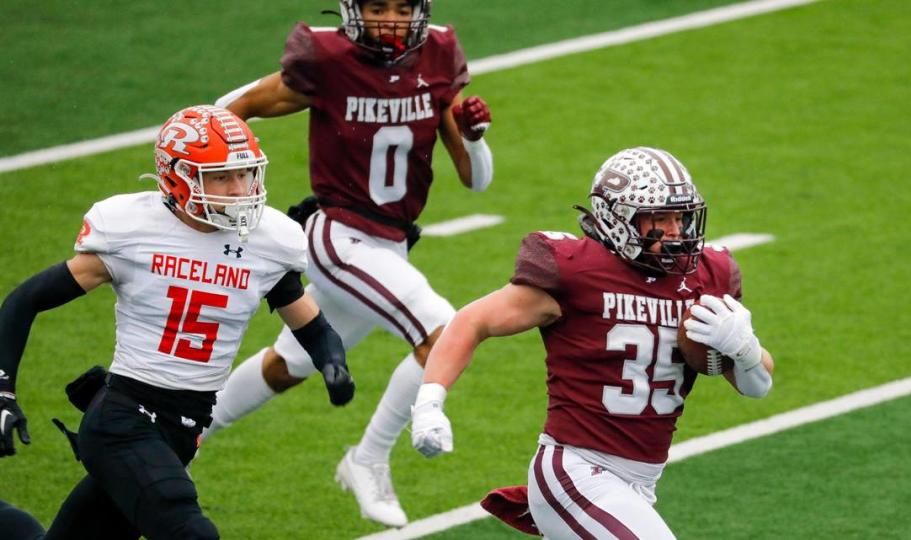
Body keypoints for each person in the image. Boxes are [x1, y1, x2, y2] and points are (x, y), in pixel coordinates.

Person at [0, 105, 354, 539]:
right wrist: (2, 389)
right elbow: (25, 300)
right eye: (221, 176)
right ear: (177, 175)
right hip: (124, 419)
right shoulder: (132, 230)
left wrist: (333, 364)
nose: (239, 187)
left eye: (244, 173)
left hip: (183, 429)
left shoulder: (266, 243)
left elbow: (312, 327)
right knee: (192, 533)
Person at [203, 0, 493, 527]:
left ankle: (190, 429)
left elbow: (476, 180)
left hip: (391, 244)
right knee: (443, 332)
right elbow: (230, 108)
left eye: (402, 8)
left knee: (287, 365)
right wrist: (226, 184)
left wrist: (475, 139)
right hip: (339, 234)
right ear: (351, 11)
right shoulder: (331, 58)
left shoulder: (436, 58)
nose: (391, 20)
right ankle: (369, 457)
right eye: (377, 7)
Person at [410, 147, 775, 538]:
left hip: (639, 482)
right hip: (575, 471)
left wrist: (745, 349)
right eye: (660, 218)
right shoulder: (577, 271)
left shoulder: (705, 277)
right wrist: (430, 403)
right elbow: (473, 320)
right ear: (619, 220)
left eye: (681, 217)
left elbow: (758, 387)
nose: (676, 231)